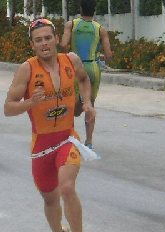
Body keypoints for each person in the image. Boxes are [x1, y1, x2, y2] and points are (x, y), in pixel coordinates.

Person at [4, 18, 96, 232]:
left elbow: (85, 80)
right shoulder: (27, 70)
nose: (44, 44)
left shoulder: (71, 61)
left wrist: (87, 103)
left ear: (56, 39)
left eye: (48, 38)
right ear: (32, 45)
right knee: (49, 198)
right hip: (41, 145)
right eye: (38, 40)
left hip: (67, 138)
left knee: (67, 187)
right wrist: (29, 103)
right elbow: (8, 108)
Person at [60, 0, 112, 150]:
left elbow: (63, 45)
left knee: (71, 104)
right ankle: (89, 142)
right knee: (91, 104)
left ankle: (69, 137)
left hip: (75, 66)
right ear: (94, 10)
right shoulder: (100, 29)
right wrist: (99, 57)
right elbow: (108, 54)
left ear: (80, 8)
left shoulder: (72, 24)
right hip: (92, 67)